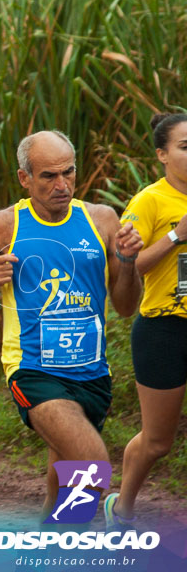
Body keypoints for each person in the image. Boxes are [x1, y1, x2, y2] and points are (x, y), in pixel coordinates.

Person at [0, 130, 143, 519]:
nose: (62, 185)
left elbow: (126, 307)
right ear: (25, 178)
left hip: (92, 374)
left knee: (65, 490)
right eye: (49, 176)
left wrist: (127, 263)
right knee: (91, 464)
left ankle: (52, 546)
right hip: (32, 369)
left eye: (69, 173)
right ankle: (96, 520)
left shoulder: (101, 219)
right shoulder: (4, 225)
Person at [105, 113, 187, 530]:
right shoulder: (149, 202)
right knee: (158, 442)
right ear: (162, 155)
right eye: (185, 147)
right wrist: (177, 236)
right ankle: (122, 509)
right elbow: (127, 271)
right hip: (165, 329)